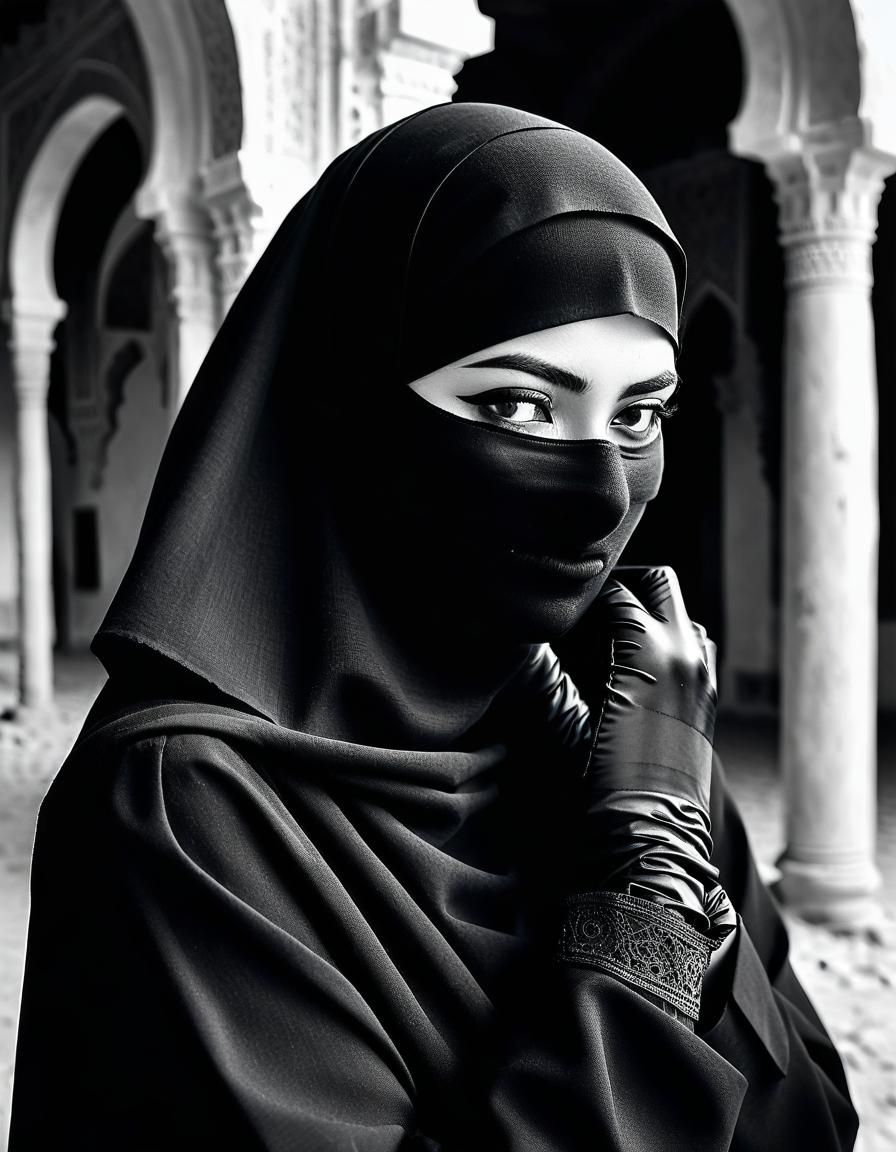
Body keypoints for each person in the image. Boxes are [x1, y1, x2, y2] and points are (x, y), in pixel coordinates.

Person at [9, 102, 857, 1151]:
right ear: (353, 407)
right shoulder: (185, 812)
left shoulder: (630, 743)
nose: (600, 491)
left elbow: (813, 1113)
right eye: (514, 405)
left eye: (637, 415)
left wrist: (658, 818)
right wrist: (644, 907)